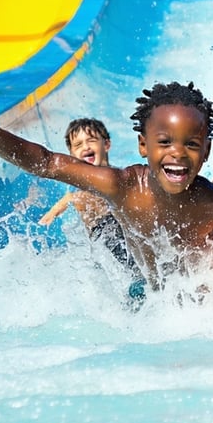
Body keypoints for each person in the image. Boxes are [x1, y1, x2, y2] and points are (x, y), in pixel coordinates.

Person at [0, 81, 213, 292]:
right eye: (164, 142)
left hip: (195, 290)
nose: (177, 153)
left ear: (206, 151)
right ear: (143, 145)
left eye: (191, 144)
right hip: (146, 289)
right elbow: (49, 162)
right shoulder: (125, 186)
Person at [36, 118, 146, 303]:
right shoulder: (78, 192)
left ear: (107, 144)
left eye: (91, 140)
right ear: (71, 154)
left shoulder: (122, 178)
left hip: (131, 245)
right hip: (110, 256)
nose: (85, 147)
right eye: (78, 144)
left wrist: (69, 199)